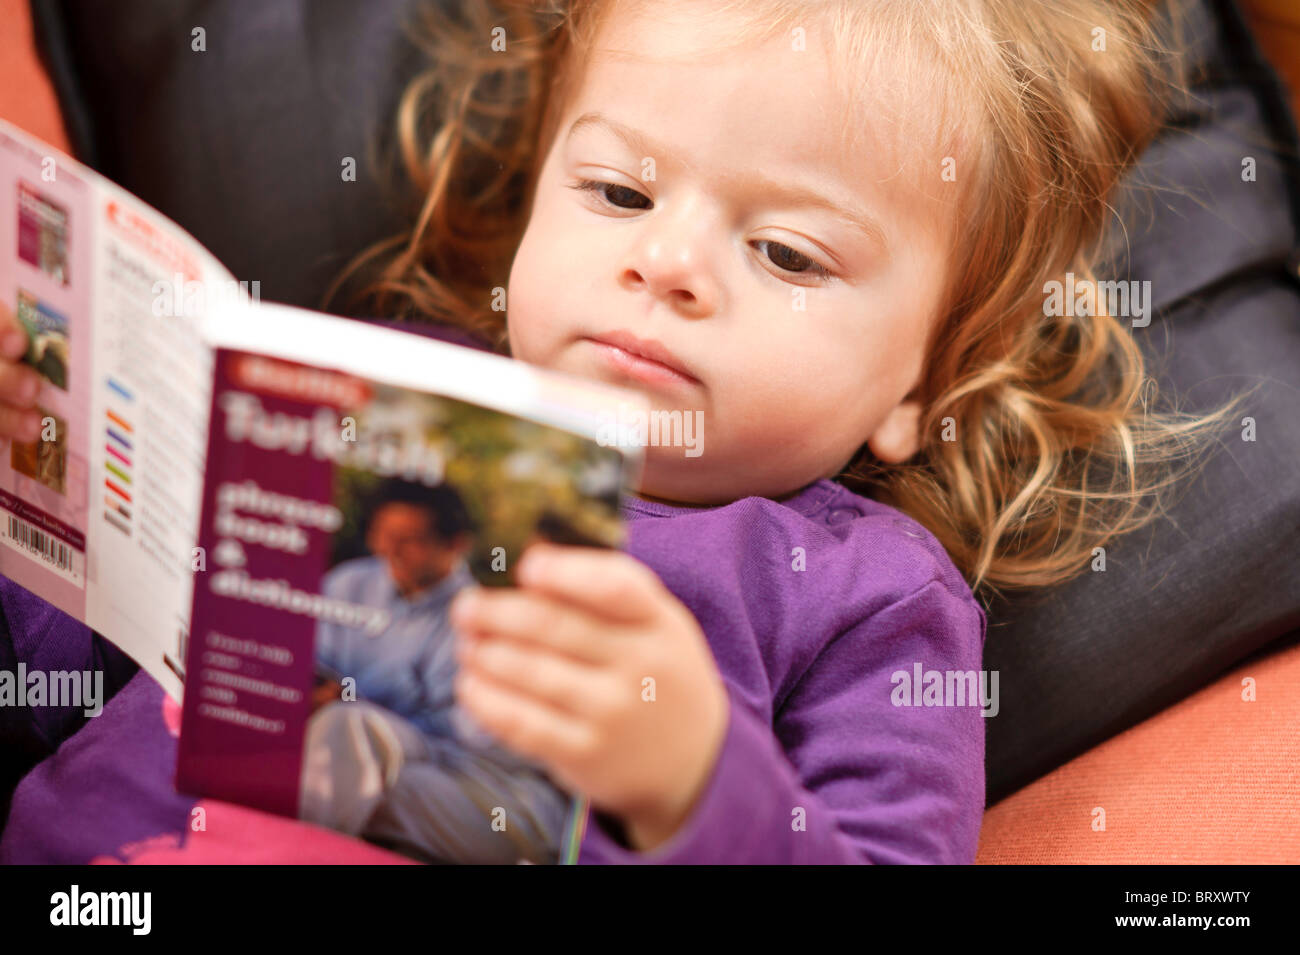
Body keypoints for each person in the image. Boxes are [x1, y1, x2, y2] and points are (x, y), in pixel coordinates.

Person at [330, 0, 1245, 863]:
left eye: (786, 253)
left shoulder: (867, 599)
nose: (667, 262)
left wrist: (694, 781)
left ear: (926, 382)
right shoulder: (358, 385)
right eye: (618, 193)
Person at [300, 478, 569, 864]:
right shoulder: (349, 583)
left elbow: (459, 741)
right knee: (363, 783)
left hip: (459, 772)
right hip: (387, 769)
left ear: (455, 543)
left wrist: (352, 702)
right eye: (381, 534)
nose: (387, 550)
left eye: (408, 540)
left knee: (349, 730)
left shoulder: (476, 619)